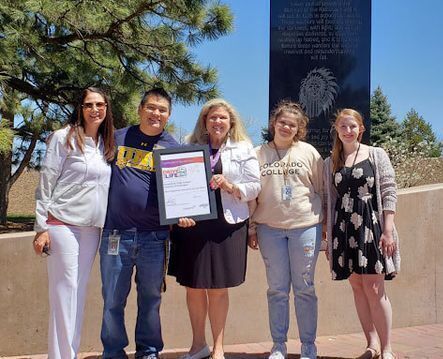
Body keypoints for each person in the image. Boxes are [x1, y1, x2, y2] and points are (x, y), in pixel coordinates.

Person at [168, 98, 260, 359]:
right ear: (204, 122)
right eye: (212, 117)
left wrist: (230, 185)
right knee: (194, 286)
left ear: (231, 123)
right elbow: (174, 182)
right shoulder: (190, 146)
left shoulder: (243, 148)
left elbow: (255, 186)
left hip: (227, 224)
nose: (217, 121)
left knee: (218, 288)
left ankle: (219, 347)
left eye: (222, 117)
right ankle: (198, 345)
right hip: (193, 224)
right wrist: (178, 213)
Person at [33, 87, 115, 359]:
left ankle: (69, 353)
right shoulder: (63, 137)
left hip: (92, 229)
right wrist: (41, 227)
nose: (95, 109)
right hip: (62, 224)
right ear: (80, 108)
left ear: (107, 108)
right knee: (64, 292)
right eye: (89, 104)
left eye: (100, 104)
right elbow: (46, 182)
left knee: (77, 295)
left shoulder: (106, 144)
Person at [99, 88, 178, 359]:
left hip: (154, 238)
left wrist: (186, 212)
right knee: (112, 300)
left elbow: (182, 192)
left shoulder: (174, 148)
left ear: (168, 116)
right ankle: (113, 351)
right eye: (151, 107)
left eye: (162, 110)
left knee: (151, 300)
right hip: (115, 234)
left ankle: (148, 351)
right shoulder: (117, 137)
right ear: (140, 109)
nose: (156, 113)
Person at [248, 100, 324, 359]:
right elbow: (252, 195)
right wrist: (251, 228)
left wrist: (324, 227)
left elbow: (321, 190)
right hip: (270, 229)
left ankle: (308, 345)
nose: (286, 127)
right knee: (277, 289)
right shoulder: (258, 154)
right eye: (282, 122)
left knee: (304, 288)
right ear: (274, 123)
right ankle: (278, 345)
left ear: (298, 129)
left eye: (292, 124)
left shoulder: (309, 153)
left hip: (305, 227)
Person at [323, 109, 401, 359]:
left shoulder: (376, 155)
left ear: (361, 129)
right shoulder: (330, 162)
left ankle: (388, 348)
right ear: (336, 129)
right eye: (343, 127)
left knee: (375, 287)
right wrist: (328, 236)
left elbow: (389, 190)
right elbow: (329, 200)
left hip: (372, 225)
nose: (348, 131)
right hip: (344, 228)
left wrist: (388, 230)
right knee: (357, 286)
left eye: (352, 127)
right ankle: (372, 344)